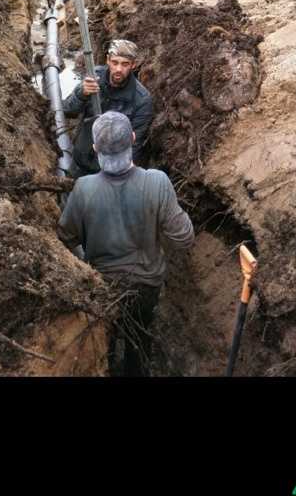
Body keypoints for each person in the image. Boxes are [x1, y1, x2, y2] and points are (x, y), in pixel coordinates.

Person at [57, 110, 194, 376]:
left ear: (95, 148)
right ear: (132, 138)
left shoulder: (83, 188)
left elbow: (66, 238)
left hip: (101, 287)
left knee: (102, 342)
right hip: (146, 287)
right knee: (139, 342)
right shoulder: (157, 182)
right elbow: (184, 237)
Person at [63, 39, 153, 179]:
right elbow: (67, 111)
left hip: (111, 172)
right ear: (108, 60)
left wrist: (115, 179)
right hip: (80, 162)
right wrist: (81, 94)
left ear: (133, 65)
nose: (118, 69)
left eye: (125, 64)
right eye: (115, 62)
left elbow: (134, 146)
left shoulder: (141, 100)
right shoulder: (94, 77)